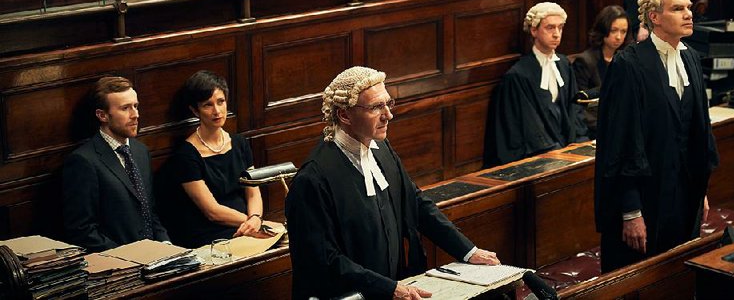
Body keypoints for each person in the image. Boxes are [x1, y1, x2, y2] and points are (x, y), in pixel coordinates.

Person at [285, 66, 501, 300]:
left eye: (389, 104)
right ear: (344, 115)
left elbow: (416, 204)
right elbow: (324, 260)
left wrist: (469, 252)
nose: (388, 115)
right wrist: (389, 288)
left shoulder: (381, 149)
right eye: (376, 107)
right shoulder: (313, 179)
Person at [594, 0, 719, 273]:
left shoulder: (690, 58)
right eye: (678, 9)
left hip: (683, 194)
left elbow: (695, 132)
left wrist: (699, 190)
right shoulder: (629, 64)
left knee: (677, 275)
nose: (689, 14)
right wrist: (630, 211)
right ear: (654, 17)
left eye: (688, 7)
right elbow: (621, 143)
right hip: (645, 199)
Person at [159, 70, 276, 248]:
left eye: (221, 102)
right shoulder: (186, 155)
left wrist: (256, 218)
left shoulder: (239, 143)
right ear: (194, 110)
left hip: (247, 225)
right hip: (211, 233)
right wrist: (250, 223)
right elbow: (212, 211)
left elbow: (253, 192)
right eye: (208, 105)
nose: (217, 111)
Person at [62, 76, 170, 251]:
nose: (135, 115)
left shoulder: (141, 151)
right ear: (102, 115)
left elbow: (149, 212)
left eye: (136, 106)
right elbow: (82, 231)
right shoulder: (83, 162)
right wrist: (128, 258)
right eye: (125, 108)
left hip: (156, 258)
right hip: (120, 265)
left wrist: (166, 245)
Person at [483, 2, 589, 167]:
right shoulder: (518, 76)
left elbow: (574, 109)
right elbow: (527, 126)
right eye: (550, 28)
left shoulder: (563, 64)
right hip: (540, 157)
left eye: (560, 28)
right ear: (534, 30)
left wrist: (579, 143)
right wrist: (555, 153)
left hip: (567, 150)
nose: (556, 34)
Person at [571, 5, 631, 136]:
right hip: (595, 129)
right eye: (614, 30)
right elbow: (580, 106)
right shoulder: (585, 61)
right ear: (603, 29)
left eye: (623, 31)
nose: (619, 37)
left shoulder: (626, 60)